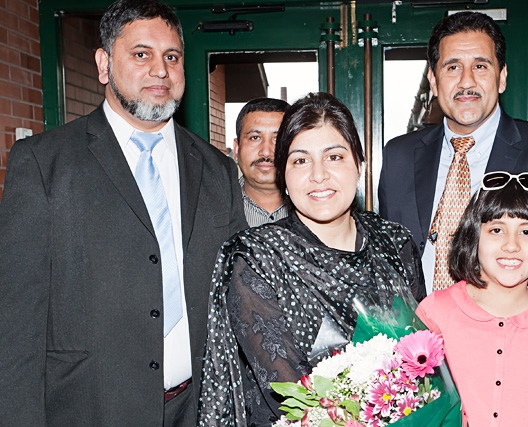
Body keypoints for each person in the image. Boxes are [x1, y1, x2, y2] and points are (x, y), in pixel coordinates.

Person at [0, 0, 247, 426]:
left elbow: (241, 294)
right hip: (88, 410)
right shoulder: (43, 164)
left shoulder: (217, 169)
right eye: (141, 54)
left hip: (200, 408)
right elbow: (16, 325)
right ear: (103, 64)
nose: (160, 70)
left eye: (171, 56)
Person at [198, 92, 426, 426]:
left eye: (334, 157)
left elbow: (421, 357)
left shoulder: (395, 243)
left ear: (359, 165)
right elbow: (298, 403)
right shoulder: (257, 258)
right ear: (284, 176)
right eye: (300, 160)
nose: (318, 175)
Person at [378, 11, 528, 324]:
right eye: (453, 67)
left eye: (480, 65)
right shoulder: (398, 156)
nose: (467, 81)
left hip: (516, 349)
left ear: (502, 77)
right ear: (434, 82)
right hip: (419, 349)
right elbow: (386, 260)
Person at [416, 171, 528, 427]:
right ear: (475, 237)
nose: (512, 245)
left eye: (527, 232)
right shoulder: (435, 312)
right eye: (497, 229)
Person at [234, 97, 290, 227]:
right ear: (237, 149)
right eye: (255, 138)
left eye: (278, 139)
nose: (266, 152)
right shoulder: (211, 208)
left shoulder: (318, 205)